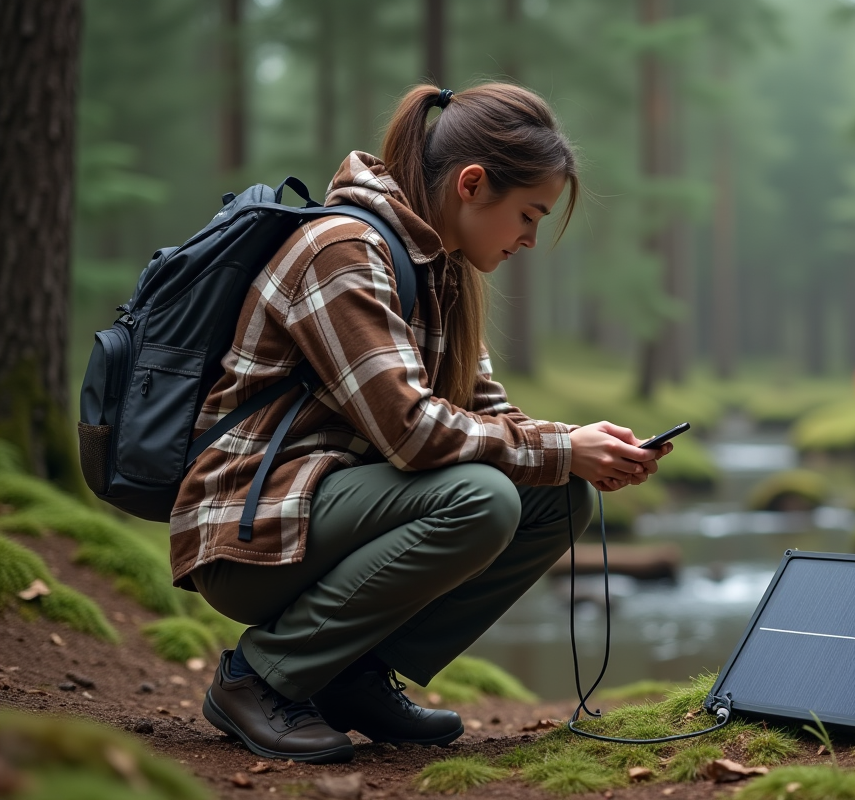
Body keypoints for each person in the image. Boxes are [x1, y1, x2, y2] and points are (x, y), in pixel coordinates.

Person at [169, 83, 673, 764]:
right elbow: (412, 432)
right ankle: (257, 677)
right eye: (529, 215)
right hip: (252, 531)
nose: (529, 239)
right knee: (483, 499)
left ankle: (351, 675)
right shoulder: (340, 252)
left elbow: (490, 417)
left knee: (560, 497)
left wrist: (586, 452)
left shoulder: (447, 273)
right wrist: (560, 447)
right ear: (472, 184)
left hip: (336, 511)